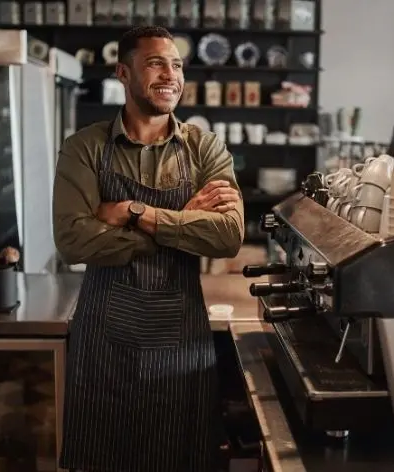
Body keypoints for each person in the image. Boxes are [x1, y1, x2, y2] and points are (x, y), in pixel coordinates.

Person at [53, 26, 245, 472]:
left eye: (176, 64)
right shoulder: (84, 148)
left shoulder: (205, 148)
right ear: (123, 72)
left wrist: (132, 212)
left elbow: (228, 236)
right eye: (156, 62)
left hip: (183, 345)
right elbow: (72, 240)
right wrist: (183, 219)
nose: (170, 74)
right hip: (104, 346)